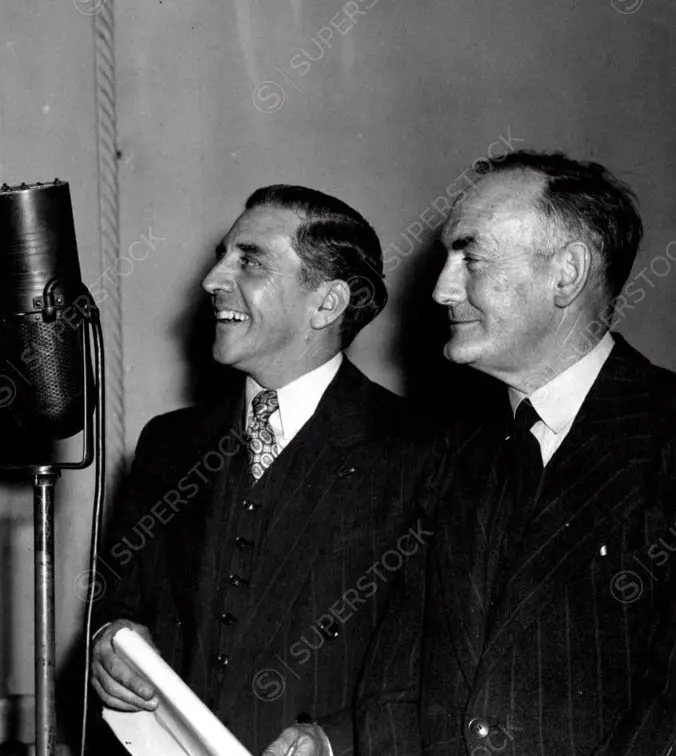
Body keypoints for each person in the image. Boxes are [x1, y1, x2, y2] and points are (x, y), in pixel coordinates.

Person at [90, 185, 432, 756]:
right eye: (223, 254)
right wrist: (110, 641)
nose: (212, 279)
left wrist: (333, 740)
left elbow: (439, 660)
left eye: (249, 261)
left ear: (326, 304)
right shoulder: (167, 444)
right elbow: (119, 601)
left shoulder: (423, 453)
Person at [355, 151, 676, 755]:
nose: (441, 289)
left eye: (470, 258)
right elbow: (394, 679)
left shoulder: (664, 433)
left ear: (567, 273)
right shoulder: (449, 450)